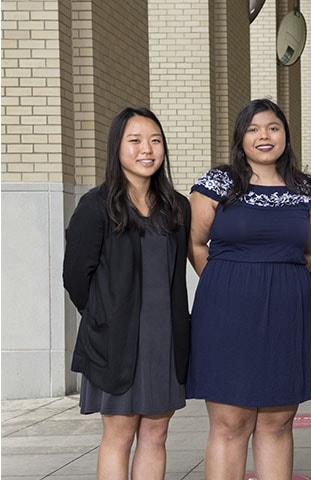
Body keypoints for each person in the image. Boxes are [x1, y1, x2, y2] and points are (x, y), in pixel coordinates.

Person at [186, 99, 311, 480]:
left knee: (278, 421)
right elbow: (196, 244)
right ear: (240, 137)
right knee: (231, 422)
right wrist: (230, 281)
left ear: (286, 135)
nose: (264, 136)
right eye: (254, 129)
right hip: (227, 312)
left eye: (273, 128)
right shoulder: (217, 183)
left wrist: (279, 279)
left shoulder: (306, 189)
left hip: (287, 311)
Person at [63, 107, 190, 479]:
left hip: (164, 341)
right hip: (115, 342)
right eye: (134, 141)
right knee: (119, 434)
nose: (146, 149)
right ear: (116, 147)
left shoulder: (176, 207)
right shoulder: (96, 206)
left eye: (155, 140)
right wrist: (107, 317)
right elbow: (76, 279)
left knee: (156, 433)